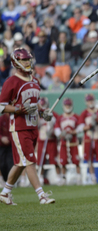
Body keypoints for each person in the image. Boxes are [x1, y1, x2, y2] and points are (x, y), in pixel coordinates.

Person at [0, 48, 54, 205]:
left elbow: (34, 104)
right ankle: (41, 195)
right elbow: (2, 106)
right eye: (24, 60)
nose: (28, 63)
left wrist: (43, 112)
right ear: (16, 63)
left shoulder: (35, 81)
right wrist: (18, 109)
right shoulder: (11, 81)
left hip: (32, 126)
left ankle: (5, 193)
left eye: (28, 60)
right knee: (29, 161)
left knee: (21, 163)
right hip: (19, 127)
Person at [78, 94, 98, 184]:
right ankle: (93, 177)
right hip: (88, 138)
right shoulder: (84, 113)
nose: (90, 102)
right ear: (86, 102)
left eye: (91, 100)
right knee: (89, 158)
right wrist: (90, 125)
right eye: (88, 101)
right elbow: (81, 128)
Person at [54, 98, 81, 186]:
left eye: (69, 105)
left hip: (73, 142)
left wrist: (74, 132)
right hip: (64, 143)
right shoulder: (60, 117)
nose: (68, 107)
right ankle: (63, 178)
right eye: (66, 105)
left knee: (76, 161)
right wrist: (61, 134)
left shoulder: (75, 116)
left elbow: (81, 126)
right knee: (63, 161)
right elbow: (57, 129)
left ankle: (79, 178)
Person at [37, 97, 60, 185]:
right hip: (42, 139)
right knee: (40, 160)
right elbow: (36, 125)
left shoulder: (54, 114)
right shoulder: (38, 115)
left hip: (51, 139)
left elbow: (57, 125)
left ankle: (58, 177)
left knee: (54, 159)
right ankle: (41, 177)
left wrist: (53, 130)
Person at [0, 113, 14, 183]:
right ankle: (3, 179)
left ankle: (10, 181)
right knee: (2, 164)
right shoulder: (1, 119)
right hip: (1, 146)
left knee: (11, 164)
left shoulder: (14, 119)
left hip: (11, 145)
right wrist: (1, 138)